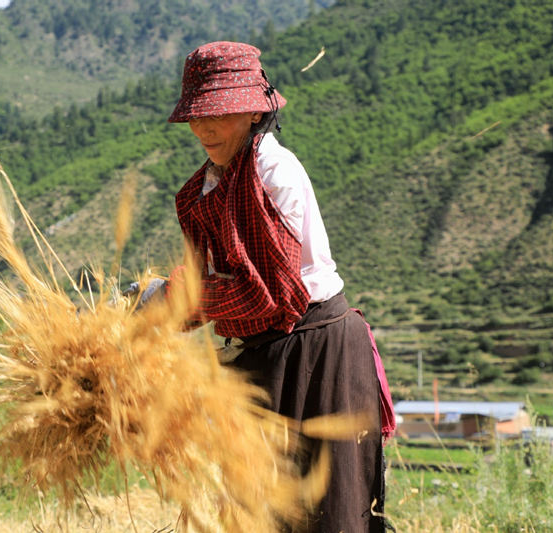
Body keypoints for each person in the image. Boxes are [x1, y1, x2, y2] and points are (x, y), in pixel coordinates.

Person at [165, 41, 395, 532]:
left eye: (220, 113)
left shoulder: (274, 173)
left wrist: (174, 301)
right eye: (198, 116)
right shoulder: (206, 187)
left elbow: (272, 295)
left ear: (252, 111)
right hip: (263, 354)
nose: (205, 128)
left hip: (317, 352)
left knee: (329, 511)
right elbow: (213, 280)